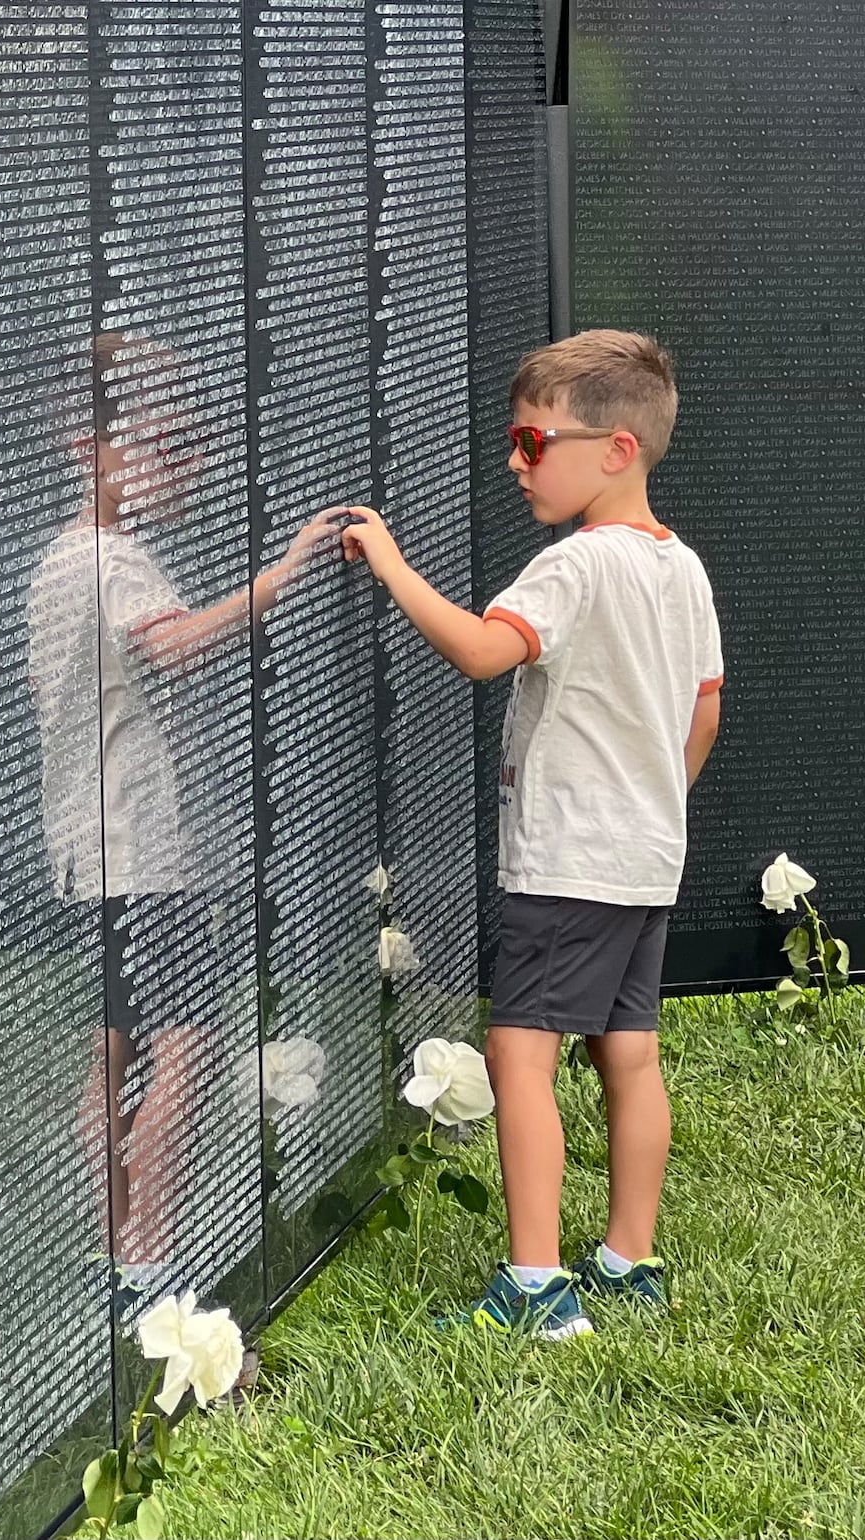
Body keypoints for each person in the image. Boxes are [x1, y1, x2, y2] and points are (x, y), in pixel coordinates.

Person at [340, 329, 723, 1338]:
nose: (514, 460)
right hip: (647, 857)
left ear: (614, 451)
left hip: (567, 858)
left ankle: (537, 1288)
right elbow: (705, 706)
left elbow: (478, 649)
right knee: (629, 1052)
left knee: (519, 1053)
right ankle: (628, 1259)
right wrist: (658, 801)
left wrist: (387, 559)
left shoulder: (575, 566)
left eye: (529, 439)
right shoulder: (679, 566)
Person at [28, 332, 334, 1301]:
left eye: (189, 444)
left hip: (93, 847)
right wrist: (280, 575)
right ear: (91, 449)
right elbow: (176, 646)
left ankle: (117, 1252)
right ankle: (151, 1266)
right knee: (183, 1050)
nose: (185, 467)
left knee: (113, 1049)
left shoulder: (64, 559)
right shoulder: (109, 560)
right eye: (163, 444)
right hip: (136, 851)